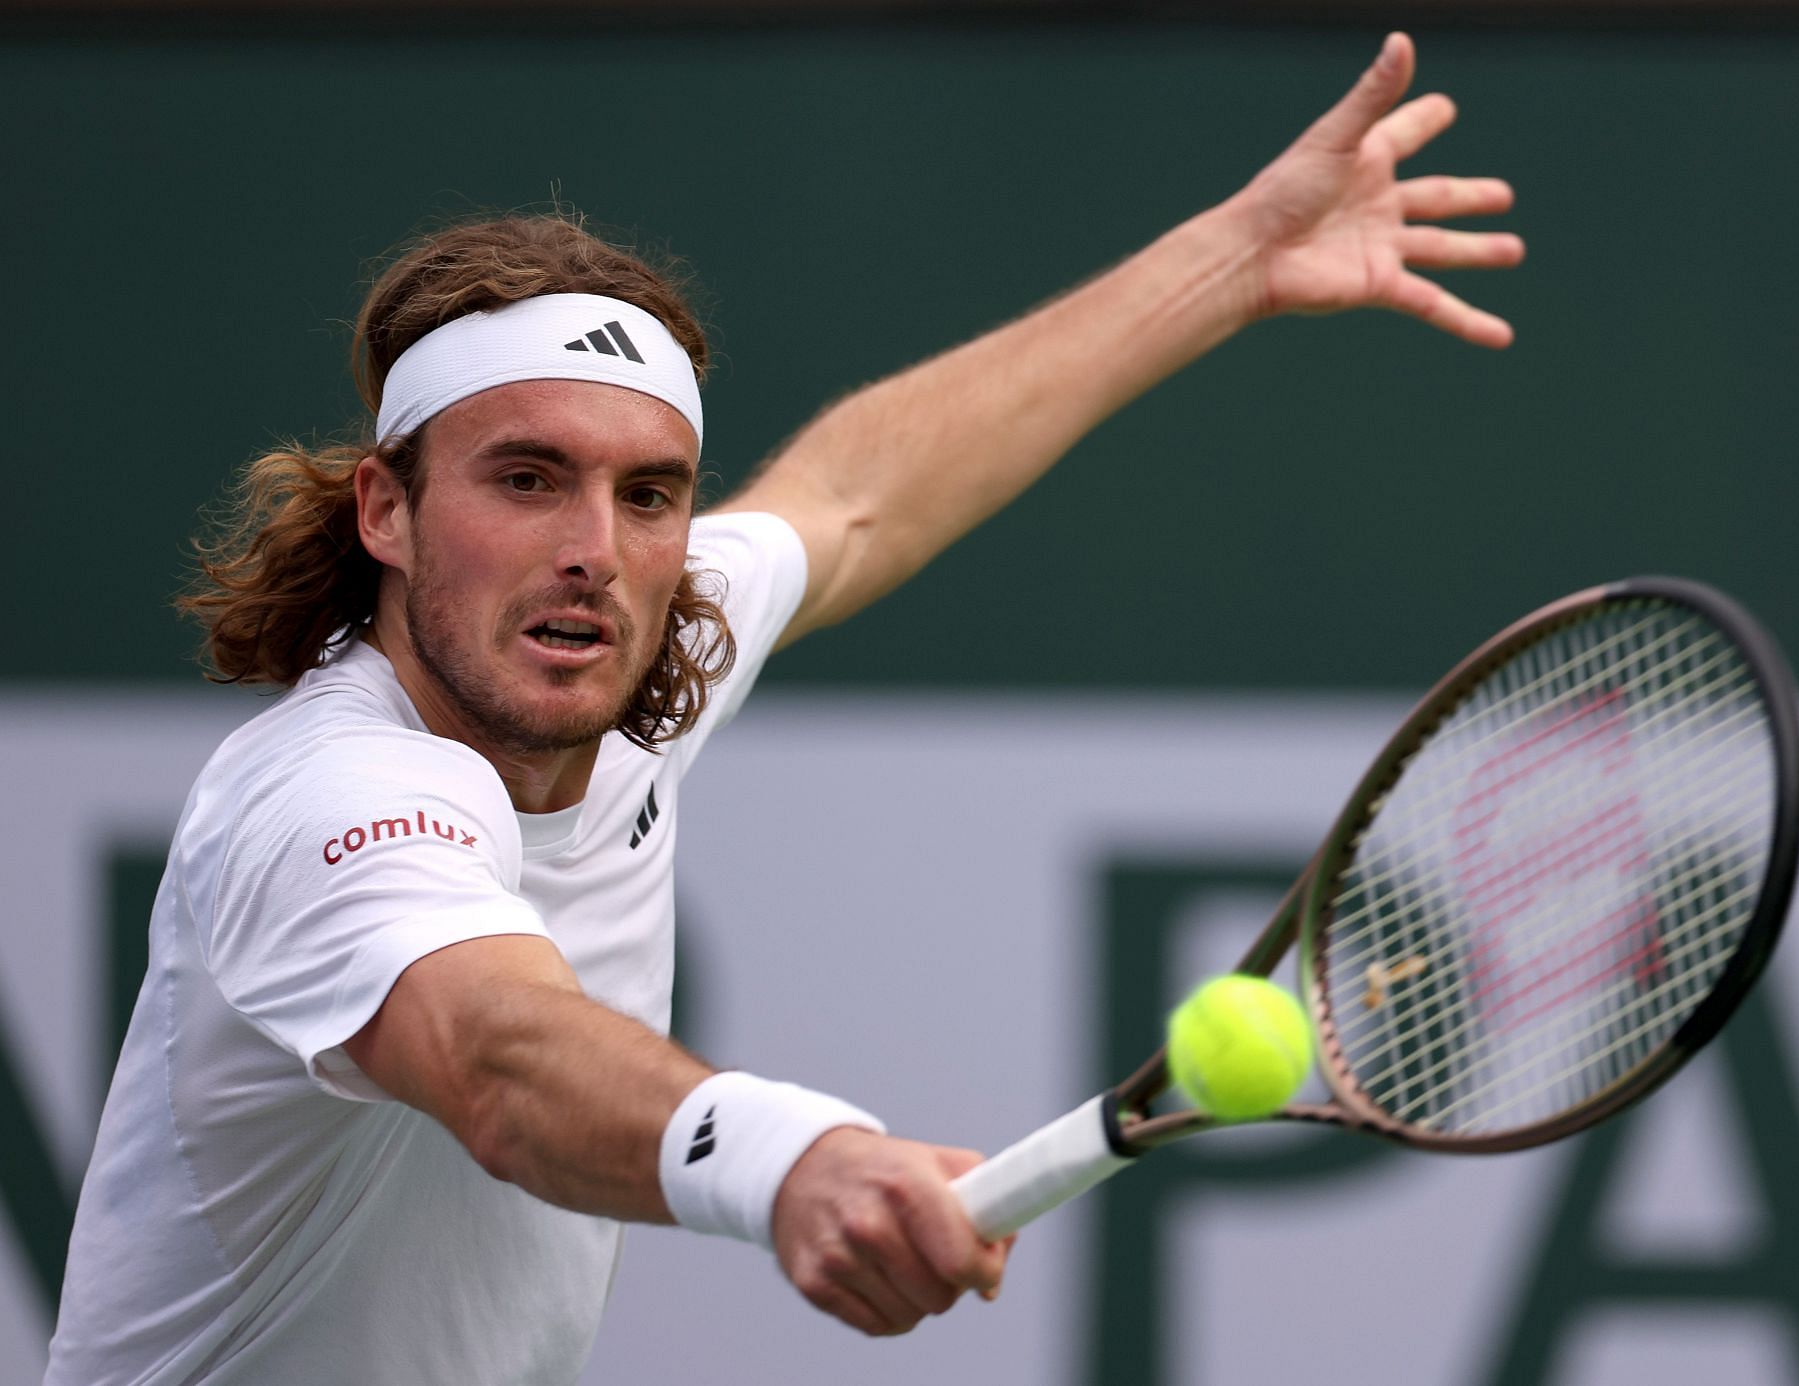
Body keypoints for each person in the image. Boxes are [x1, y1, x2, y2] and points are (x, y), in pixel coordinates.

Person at [46, 33, 1521, 1384]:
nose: (594, 546)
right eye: (525, 475)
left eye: (650, 494)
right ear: (386, 507)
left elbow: (859, 498)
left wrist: (1239, 256)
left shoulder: (631, 648)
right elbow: (499, 1059)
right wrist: (790, 1153)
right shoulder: (324, 792)